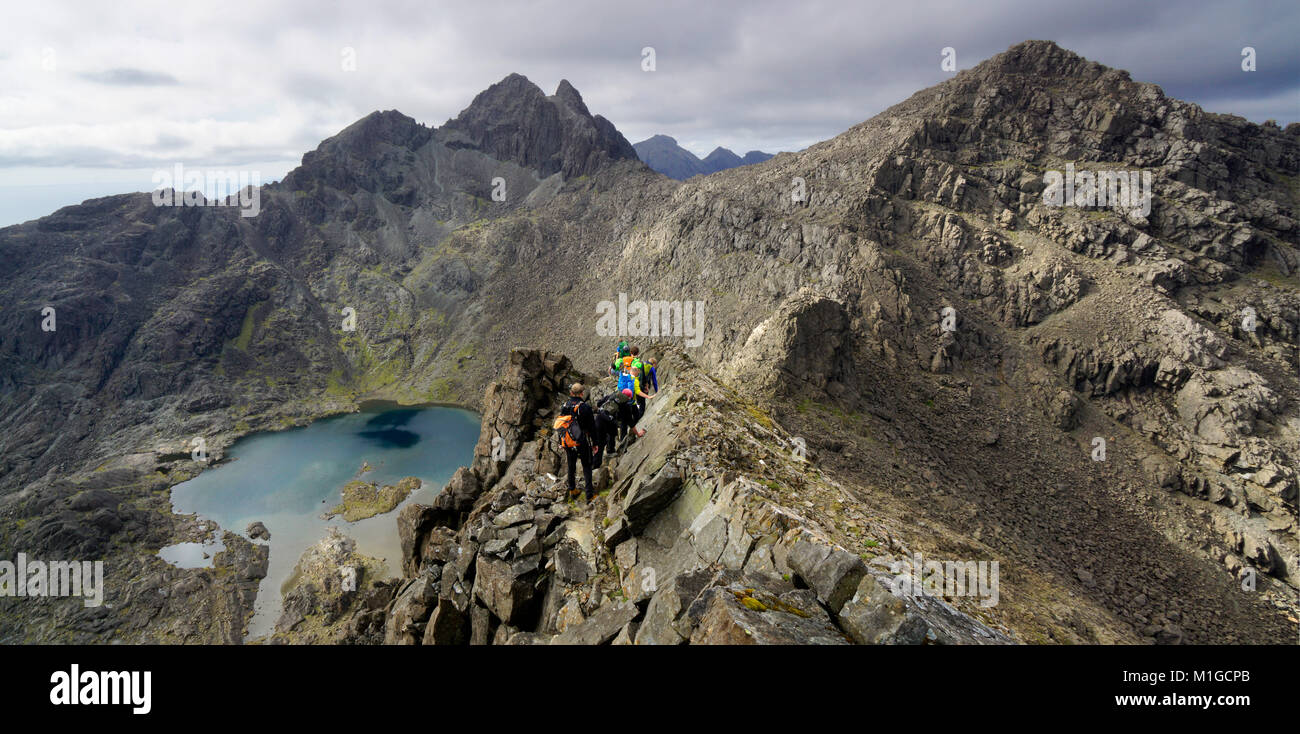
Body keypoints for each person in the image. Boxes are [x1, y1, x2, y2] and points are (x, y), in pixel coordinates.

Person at [557, 383, 598, 500]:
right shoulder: (585, 407)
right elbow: (592, 427)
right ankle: (589, 495)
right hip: (582, 440)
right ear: (582, 393)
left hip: (568, 441)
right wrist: (595, 443)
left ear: (571, 393)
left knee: (571, 465)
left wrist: (561, 441)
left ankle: (572, 490)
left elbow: (561, 425)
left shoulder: (565, 406)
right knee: (586, 465)